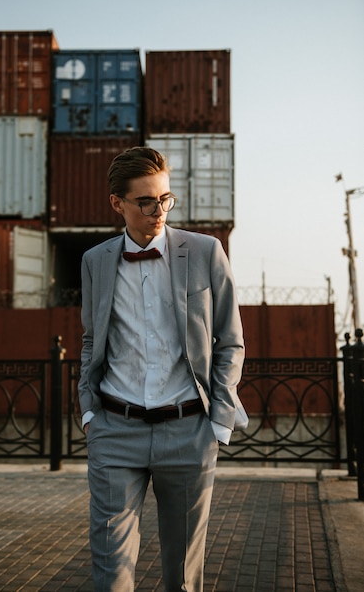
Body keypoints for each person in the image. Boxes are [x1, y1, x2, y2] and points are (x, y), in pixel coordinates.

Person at [78, 146, 245, 592]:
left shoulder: (206, 251)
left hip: (188, 431)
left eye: (165, 199)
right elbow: (92, 338)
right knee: (110, 572)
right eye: (146, 201)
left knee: (183, 578)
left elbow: (230, 339)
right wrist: (89, 410)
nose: (159, 211)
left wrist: (220, 420)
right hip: (115, 428)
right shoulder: (95, 261)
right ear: (118, 203)